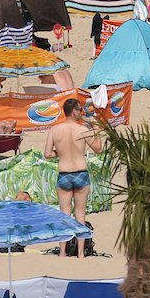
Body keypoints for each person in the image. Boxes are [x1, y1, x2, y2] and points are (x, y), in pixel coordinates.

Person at [43, 98, 101, 245]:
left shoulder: (55, 129)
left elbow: (47, 154)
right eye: (80, 109)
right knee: (80, 214)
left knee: (64, 215)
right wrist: (96, 129)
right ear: (74, 112)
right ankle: (80, 252)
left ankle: (63, 252)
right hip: (80, 172)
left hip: (64, 174)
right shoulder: (83, 129)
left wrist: (61, 152)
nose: (82, 112)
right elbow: (98, 149)